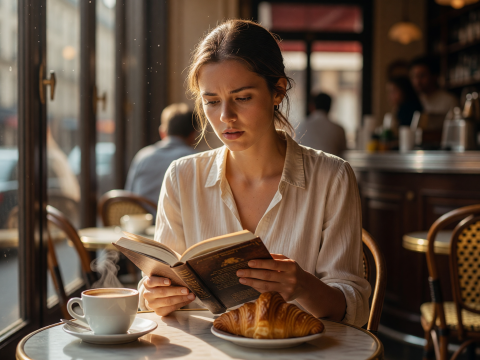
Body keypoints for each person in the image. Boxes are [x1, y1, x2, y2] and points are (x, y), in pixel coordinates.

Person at [138, 20, 370, 327]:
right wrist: (152, 296)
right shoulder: (182, 177)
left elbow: (353, 309)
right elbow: (161, 287)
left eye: (243, 97)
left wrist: (302, 285)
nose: (225, 117)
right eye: (211, 101)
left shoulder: (332, 177)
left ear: (277, 90)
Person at [125, 103, 196, 203]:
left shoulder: (143, 156)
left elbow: (129, 196)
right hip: (174, 218)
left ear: (162, 132)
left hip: (142, 218)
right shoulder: (195, 160)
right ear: (193, 134)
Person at [295, 92, 347, 157]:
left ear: (312, 106)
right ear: (330, 107)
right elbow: (343, 153)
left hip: (304, 166)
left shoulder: (300, 125)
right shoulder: (339, 129)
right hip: (331, 166)